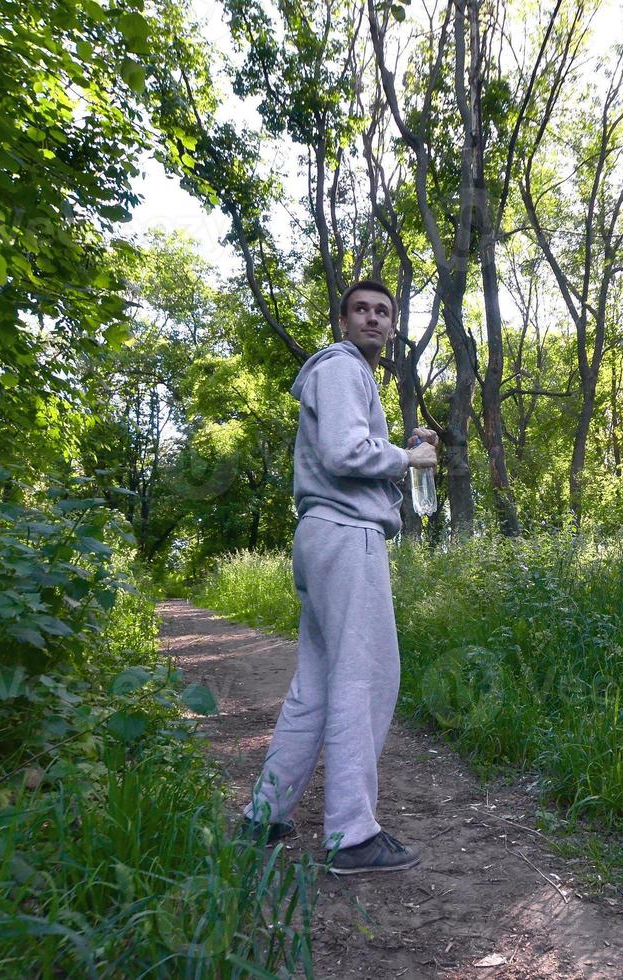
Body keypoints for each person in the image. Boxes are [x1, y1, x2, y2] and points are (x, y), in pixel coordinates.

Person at [239, 279, 437, 876]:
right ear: (343, 321)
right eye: (362, 310)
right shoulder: (342, 366)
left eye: (383, 311)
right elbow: (344, 453)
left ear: (393, 325)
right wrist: (409, 459)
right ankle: (352, 836)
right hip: (347, 536)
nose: (373, 319)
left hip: (325, 534)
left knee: (319, 686)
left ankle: (264, 816)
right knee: (367, 679)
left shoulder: (348, 376)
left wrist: (398, 450)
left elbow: (349, 450)